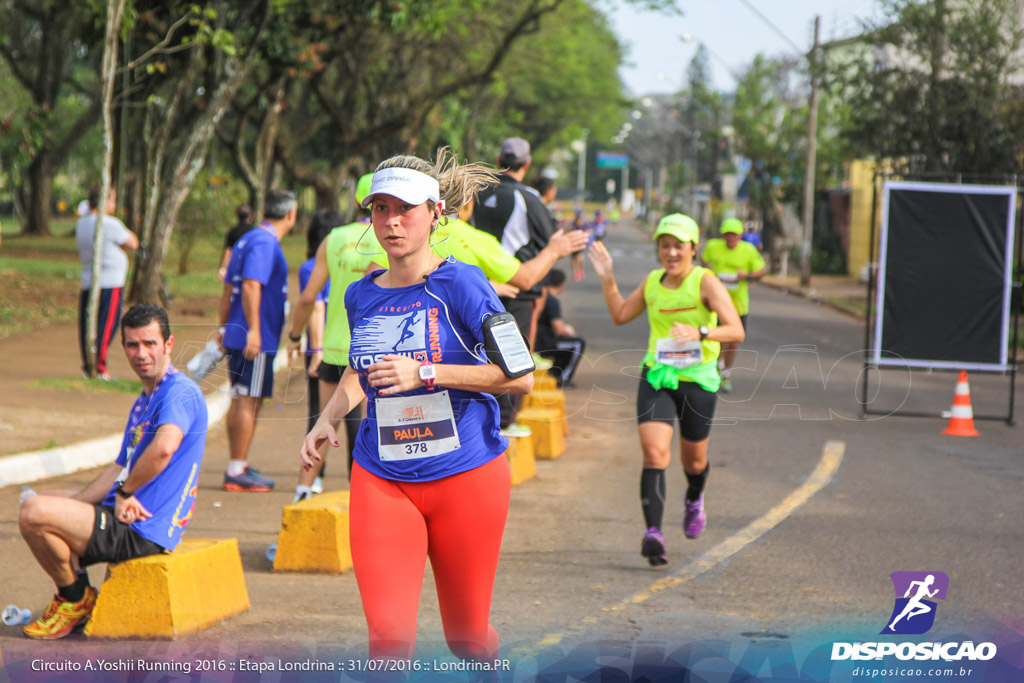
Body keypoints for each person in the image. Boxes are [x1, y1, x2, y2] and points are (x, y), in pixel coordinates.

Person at [299, 149, 533, 664]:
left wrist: (427, 371)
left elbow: (521, 376)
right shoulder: (361, 295)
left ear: (435, 212)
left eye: (404, 208)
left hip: (465, 474)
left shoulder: (464, 284)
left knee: (467, 641)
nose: (391, 221)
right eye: (379, 209)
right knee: (387, 643)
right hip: (383, 477)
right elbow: (362, 369)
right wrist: (326, 418)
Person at [17, 304, 208, 639]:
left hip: (145, 527)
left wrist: (125, 494)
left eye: (150, 343)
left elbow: (164, 448)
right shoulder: (144, 400)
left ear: (169, 344)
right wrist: (77, 506)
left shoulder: (180, 392)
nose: (141, 353)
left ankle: (74, 599)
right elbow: (121, 467)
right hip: (124, 514)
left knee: (34, 512)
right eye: (132, 345)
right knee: (44, 504)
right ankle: (75, 596)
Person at [588, 214, 743, 567]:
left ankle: (694, 497)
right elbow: (621, 314)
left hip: (698, 381)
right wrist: (608, 277)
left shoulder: (706, 282)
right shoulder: (653, 282)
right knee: (655, 454)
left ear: (693, 248)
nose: (671, 253)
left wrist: (701, 334)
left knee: (695, 461)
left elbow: (735, 330)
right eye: (665, 245)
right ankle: (654, 534)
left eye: (678, 246)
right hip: (658, 376)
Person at [287, 175, 385, 502]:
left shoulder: (334, 238)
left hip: (334, 350)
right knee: (364, 434)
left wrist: (295, 335)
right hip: (374, 352)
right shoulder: (391, 238)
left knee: (323, 424)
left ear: (357, 202)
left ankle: (302, 494)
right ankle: (365, 505)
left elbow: (307, 297)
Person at [473, 137, 562, 436]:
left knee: (477, 352)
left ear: (498, 160)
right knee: (515, 352)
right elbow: (551, 240)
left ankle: (480, 416)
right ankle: (505, 421)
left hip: (474, 286)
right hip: (519, 287)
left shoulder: (474, 193)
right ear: (527, 165)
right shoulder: (529, 197)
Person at [218, 189, 297, 491]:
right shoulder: (265, 242)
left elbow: (228, 290)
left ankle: (239, 463)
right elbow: (251, 286)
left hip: (239, 333)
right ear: (291, 214)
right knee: (248, 400)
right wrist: (254, 330)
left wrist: (224, 326)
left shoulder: (246, 238)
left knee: (241, 397)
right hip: (254, 337)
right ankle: (236, 469)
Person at [75, 185, 140, 379]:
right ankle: (99, 368)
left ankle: (89, 364)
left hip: (89, 281)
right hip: (109, 283)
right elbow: (133, 242)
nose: (114, 204)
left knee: (88, 326)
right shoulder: (109, 224)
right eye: (112, 200)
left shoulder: (82, 223)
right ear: (103, 201)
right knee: (106, 325)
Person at [699, 217, 766, 393]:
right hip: (715, 303)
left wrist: (747, 276)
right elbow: (703, 258)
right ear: (722, 235)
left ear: (740, 235)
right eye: (727, 234)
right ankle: (715, 367)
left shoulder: (748, 250)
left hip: (738, 305)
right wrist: (710, 273)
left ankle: (726, 372)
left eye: (734, 235)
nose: (730, 238)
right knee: (716, 337)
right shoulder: (713, 246)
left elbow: (762, 270)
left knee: (734, 340)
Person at [535, 268, 586, 389]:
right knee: (577, 343)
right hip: (543, 343)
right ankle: (564, 378)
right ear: (561, 284)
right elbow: (559, 329)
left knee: (567, 343)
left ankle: (554, 372)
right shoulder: (552, 301)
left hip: (537, 341)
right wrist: (569, 331)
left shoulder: (542, 296)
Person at [218, 205, 254, 281]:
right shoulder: (255, 231)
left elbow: (228, 252)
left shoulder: (232, 232)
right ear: (251, 216)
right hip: (252, 267)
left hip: (236, 267)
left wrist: (223, 269)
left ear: (238, 216)